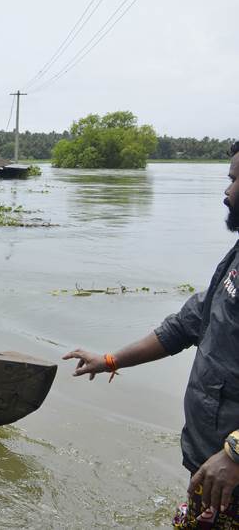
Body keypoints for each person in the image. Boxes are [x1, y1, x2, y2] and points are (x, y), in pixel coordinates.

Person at [63, 141, 239, 528]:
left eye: (236, 180)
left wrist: (235, 454)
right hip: (212, 465)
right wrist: (109, 360)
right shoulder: (236, 257)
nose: (226, 192)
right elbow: (187, 324)